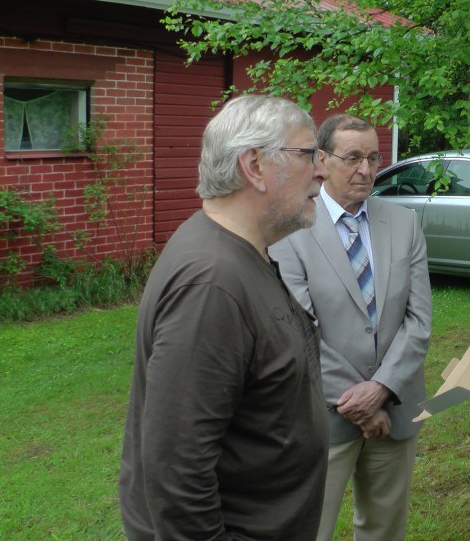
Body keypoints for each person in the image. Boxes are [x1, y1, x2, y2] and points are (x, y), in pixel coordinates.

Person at [119, 95, 331, 540]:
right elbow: (176, 470)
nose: (322, 171)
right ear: (254, 165)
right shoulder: (211, 283)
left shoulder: (237, 254)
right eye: (308, 154)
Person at [270, 114, 431, 541]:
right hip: (320, 417)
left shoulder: (404, 224)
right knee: (310, 529)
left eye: (374, 158)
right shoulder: (290, 228)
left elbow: (418, 321)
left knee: (383, 530)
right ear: (321, 160)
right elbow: (297, 331)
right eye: (353, 157)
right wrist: (358, 401)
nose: (366, 169)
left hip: (394, 410)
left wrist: (381, 390)